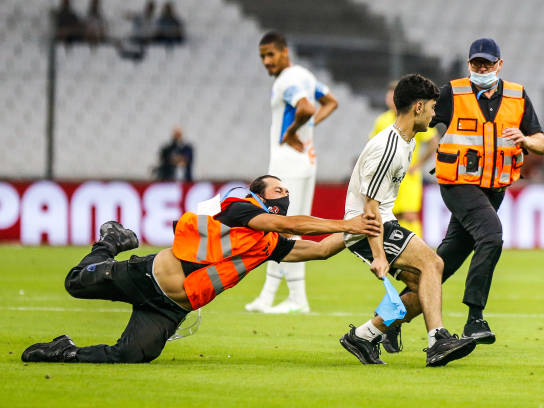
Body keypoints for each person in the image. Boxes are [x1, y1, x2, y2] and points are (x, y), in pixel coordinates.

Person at [21, 175, 380, 364]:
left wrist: (361, 233)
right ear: (259, 193)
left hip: (172, 307)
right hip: (148, 277)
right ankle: (110, 242)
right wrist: (345, 225)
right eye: (277, 190)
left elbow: (316, 251)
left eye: (287, 191)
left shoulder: (268, 243)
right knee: (74, 284)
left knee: (129, 356)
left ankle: (64, 351)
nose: (283, 196)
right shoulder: (239, 207)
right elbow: (295, 226)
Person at [383, 38, 544, 350]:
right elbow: (417, 120)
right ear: (469, 64)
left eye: (487, 63)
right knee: (491, 236)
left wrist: (525, 139)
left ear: (500, 64)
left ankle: (385, 323)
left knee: (440, 265)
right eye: (476, 63)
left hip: (494, 189)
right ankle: (475, 318)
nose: (482, 68)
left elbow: (542, 142)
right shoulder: (452, 93)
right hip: (458, 184)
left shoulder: (517, 95)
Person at [339, 74, 476, 366]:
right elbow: (370, 208)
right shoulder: (388, 148)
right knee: (433, 264)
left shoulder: (407, 140)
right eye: (431, 107)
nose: (434, 113)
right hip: (367, 227)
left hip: (379, 222)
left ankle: (364, 336)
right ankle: (438, 339)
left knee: (422, 284)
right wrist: (378, 255)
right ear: (417, 107)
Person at [245, 31, 338, 314]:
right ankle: (285, 297)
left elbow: (306, 108)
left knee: (282, 228)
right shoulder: (305, 75)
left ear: (285, 52)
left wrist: (292, 131)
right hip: (306, 161)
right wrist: (307, 130)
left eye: (270, 54)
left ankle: (283, 297)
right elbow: (331, 102)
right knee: (291, 230)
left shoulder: (286, 80)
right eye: (262, 56)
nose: (266, 61)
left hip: (287, 164)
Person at [369, 80, 438, 238]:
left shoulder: (416, 118)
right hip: (387, 176)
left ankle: (416, 248)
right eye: (388, 96)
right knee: (391, 215)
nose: (389, 99)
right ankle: (395, 250)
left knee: (409, 215)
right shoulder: (382, 120)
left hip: (408, 176)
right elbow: (372, 146)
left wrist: (418, 165)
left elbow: (433, 143)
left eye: (392, 96)